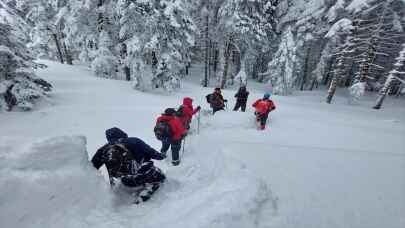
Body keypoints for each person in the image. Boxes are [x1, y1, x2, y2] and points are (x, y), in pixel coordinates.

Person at [91, 127, 166, 202]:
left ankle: (131, 190)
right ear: (121, 133)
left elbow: (91, 166)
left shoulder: (104, 149)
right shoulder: (134, 141)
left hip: (126, 181)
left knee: (130, 176)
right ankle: (147, 191)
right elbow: (153, 153)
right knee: (161, 176)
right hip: (141, 176)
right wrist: (162, 156)